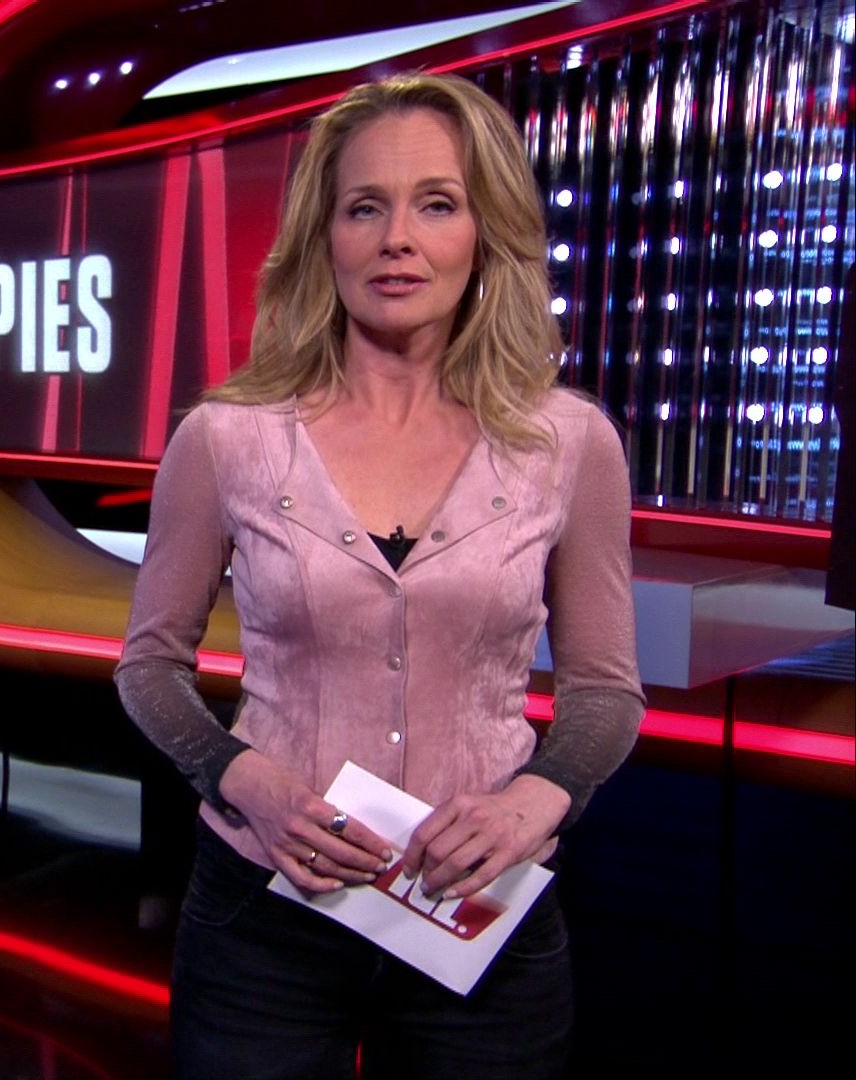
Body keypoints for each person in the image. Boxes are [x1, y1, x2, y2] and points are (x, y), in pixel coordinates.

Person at [115, 73, 644, 1079]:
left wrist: (538, 799)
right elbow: (148, 669)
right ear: (325, 237)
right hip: (263, 912)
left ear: (484, 233)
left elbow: (605, 691)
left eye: (436, 204)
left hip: (481, 912)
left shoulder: (570, 444)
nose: (398, 238)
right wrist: (244, 781)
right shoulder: (227, 439)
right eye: (365, 207)